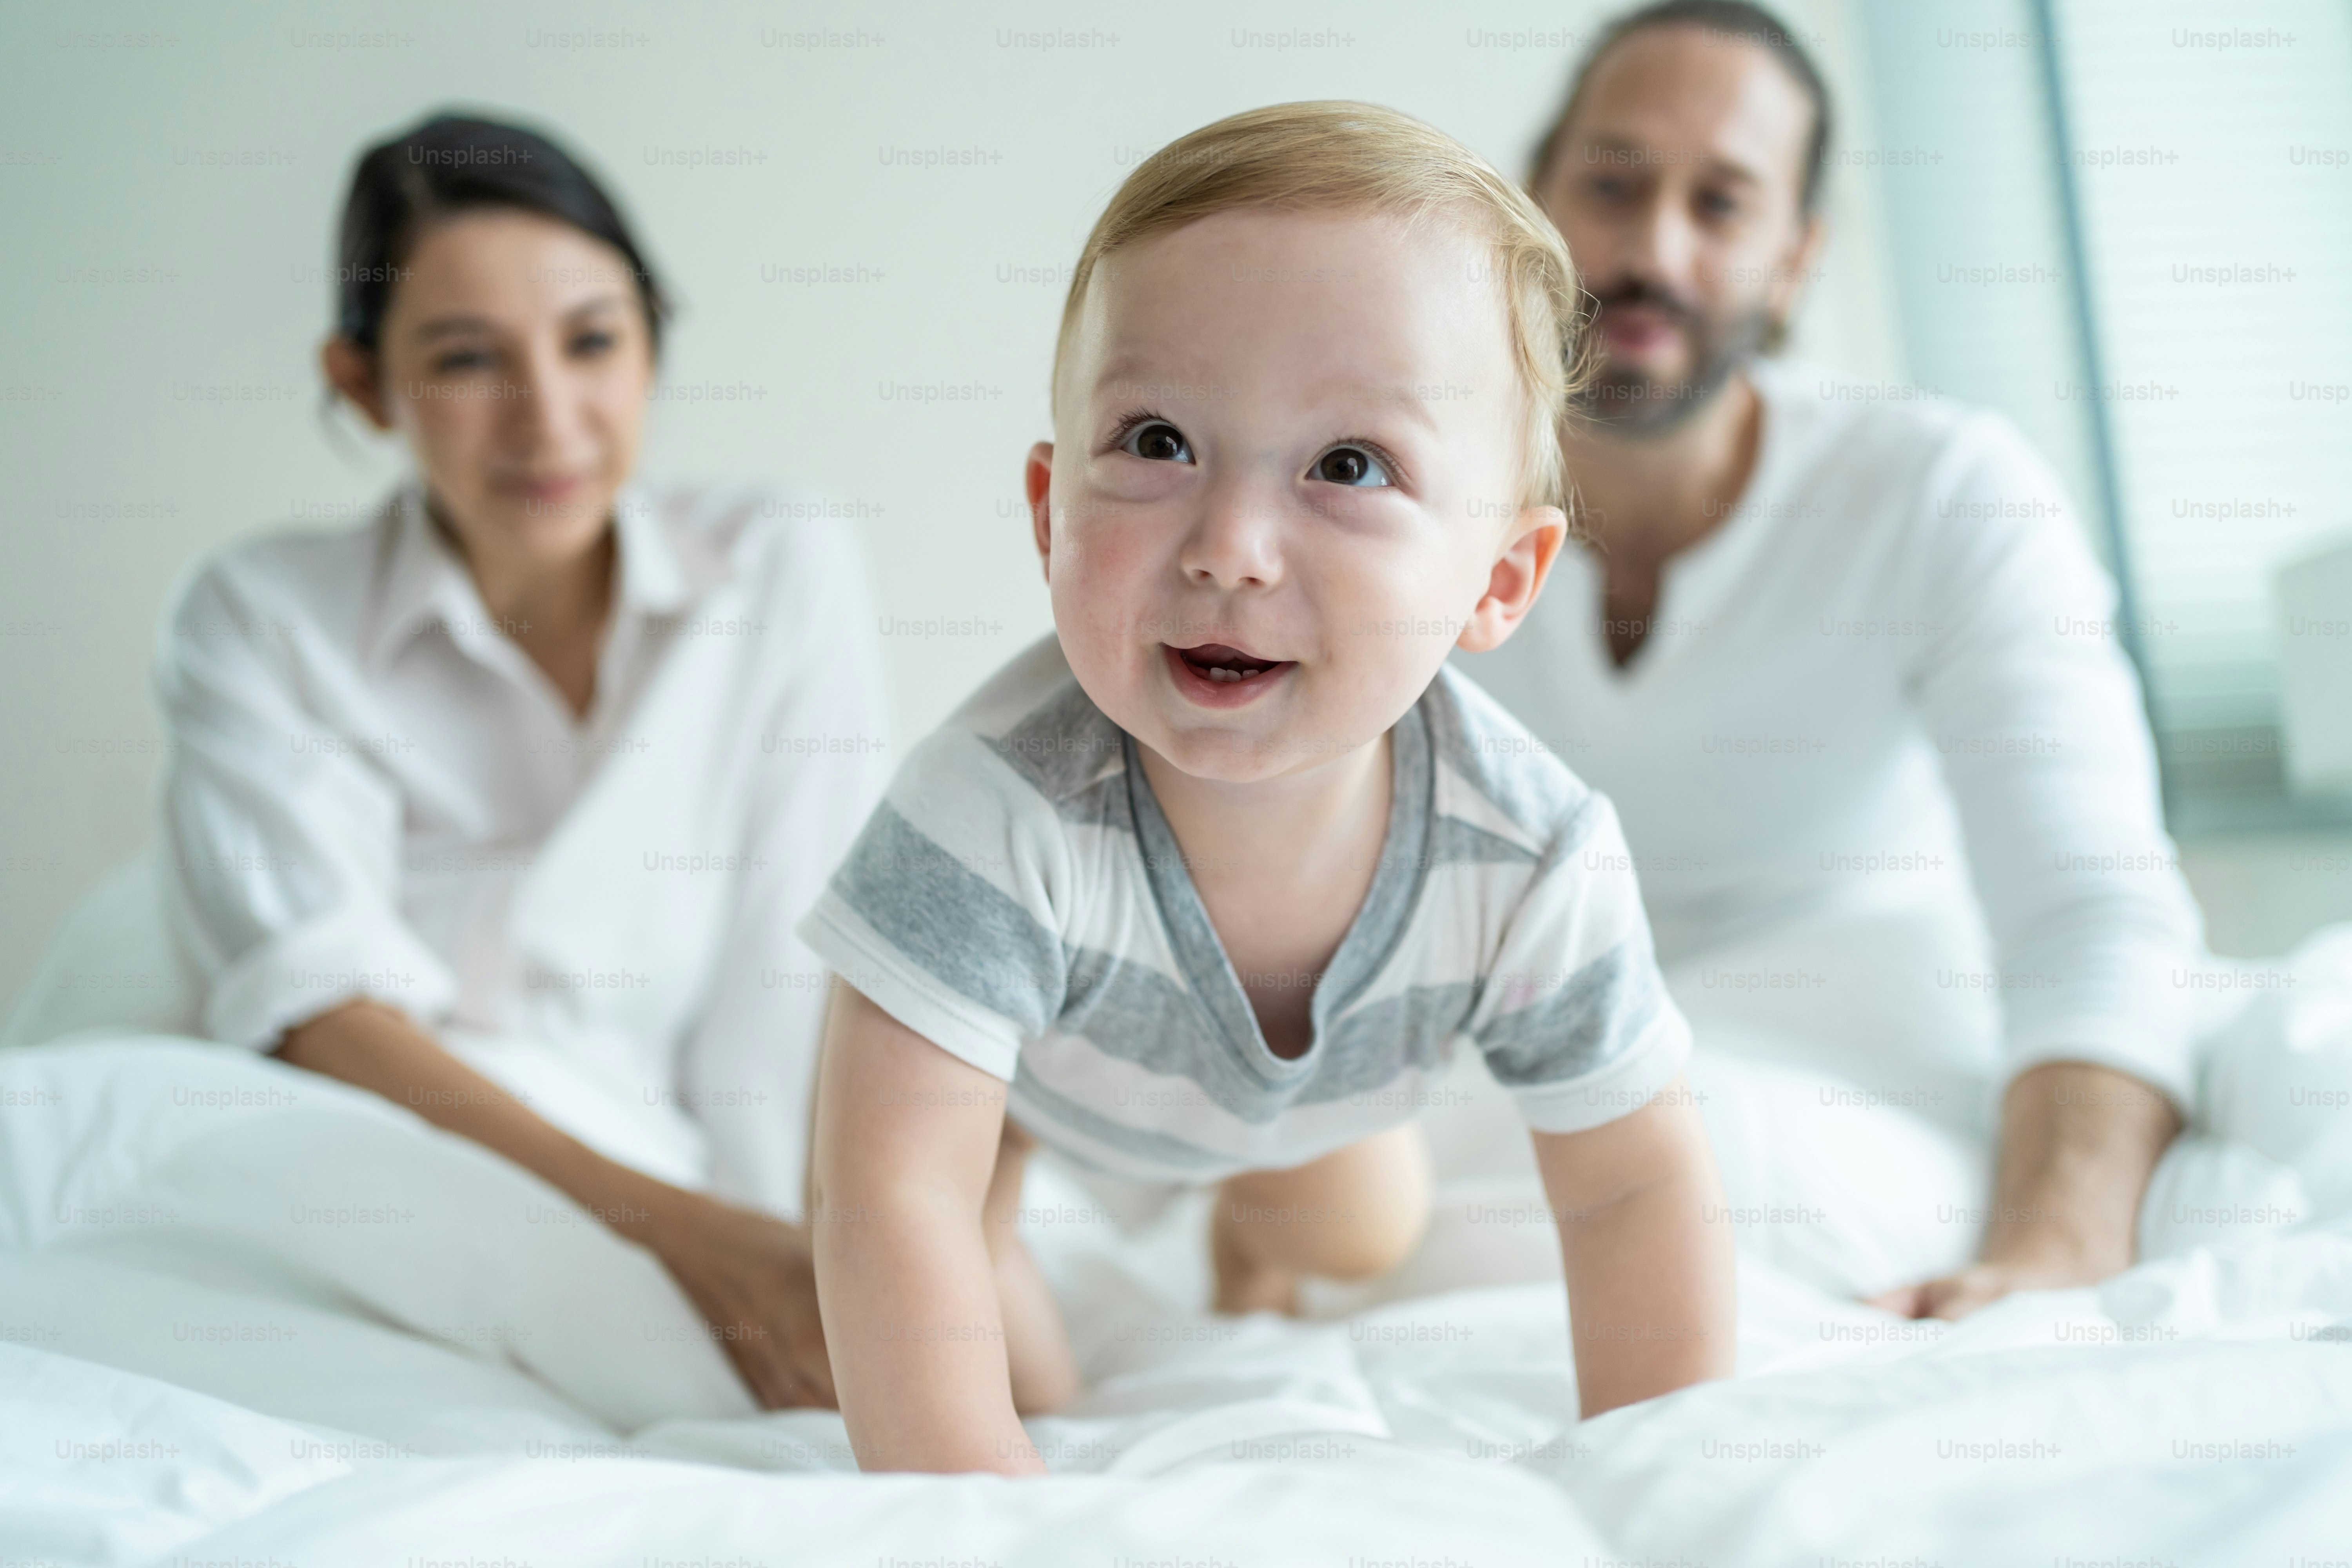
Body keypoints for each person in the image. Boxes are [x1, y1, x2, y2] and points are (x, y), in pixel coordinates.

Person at [800, 101, 1735, 1477]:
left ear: (1498, 582)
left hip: (1316, 1104)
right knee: (1018, 1372)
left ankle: (1251, 1235)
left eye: (1348, 466)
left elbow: (1631, 1185)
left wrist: (1661, 1481)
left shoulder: (1530, 857)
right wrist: (985, 1507)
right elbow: (889, 1197)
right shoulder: (985, 818)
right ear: (1050, 511)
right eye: (1159, 442)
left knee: (1357, 1233)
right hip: (1009, 1101)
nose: (1230, 548)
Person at [1454, 0, 2202, 1319]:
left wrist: (2059, 1252)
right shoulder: (1407, 507)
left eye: (1723, 204)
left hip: (1841, 1089)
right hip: (1499, 1097)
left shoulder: (1944, 492)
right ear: (1532, 207)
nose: (1651, 251)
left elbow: (2096, 915)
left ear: (1797, 261)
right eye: (1613, 182)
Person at [156, 113, 882, 1408]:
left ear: (654, 336)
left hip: (712, 1159)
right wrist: (700, 1244)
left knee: (1015, 1326)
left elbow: (801, 960)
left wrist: (803, 1257)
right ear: (363, 382)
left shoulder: (776, 562)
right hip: (415, 1148)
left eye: (594, 341)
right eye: (465, 360)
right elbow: (325, 1015)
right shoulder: (263, 618)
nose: (549, 420)